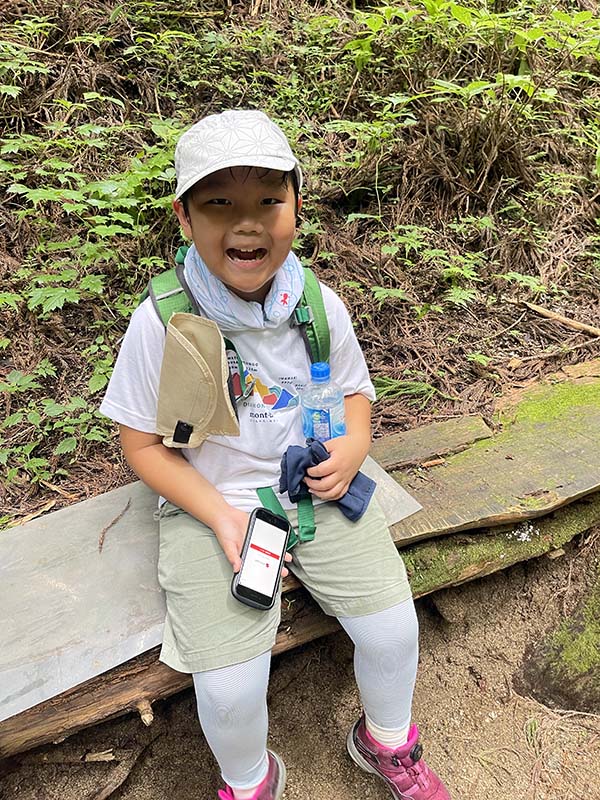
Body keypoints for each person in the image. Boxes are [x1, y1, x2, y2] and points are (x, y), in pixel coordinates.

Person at [100, 109, 450, 800]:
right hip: (211, 502)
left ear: (297, 202)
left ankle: (386, 742)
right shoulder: (165, 320)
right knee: (230, 689)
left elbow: (355, 396)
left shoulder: (317, 306)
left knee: (392, 630)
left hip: (315, 485)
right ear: (184, 217)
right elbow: (140, 444)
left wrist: (354, 447)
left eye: (268, 199)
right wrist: (220, 517)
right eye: (219, 203)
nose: (248, 222)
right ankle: (251, 783)